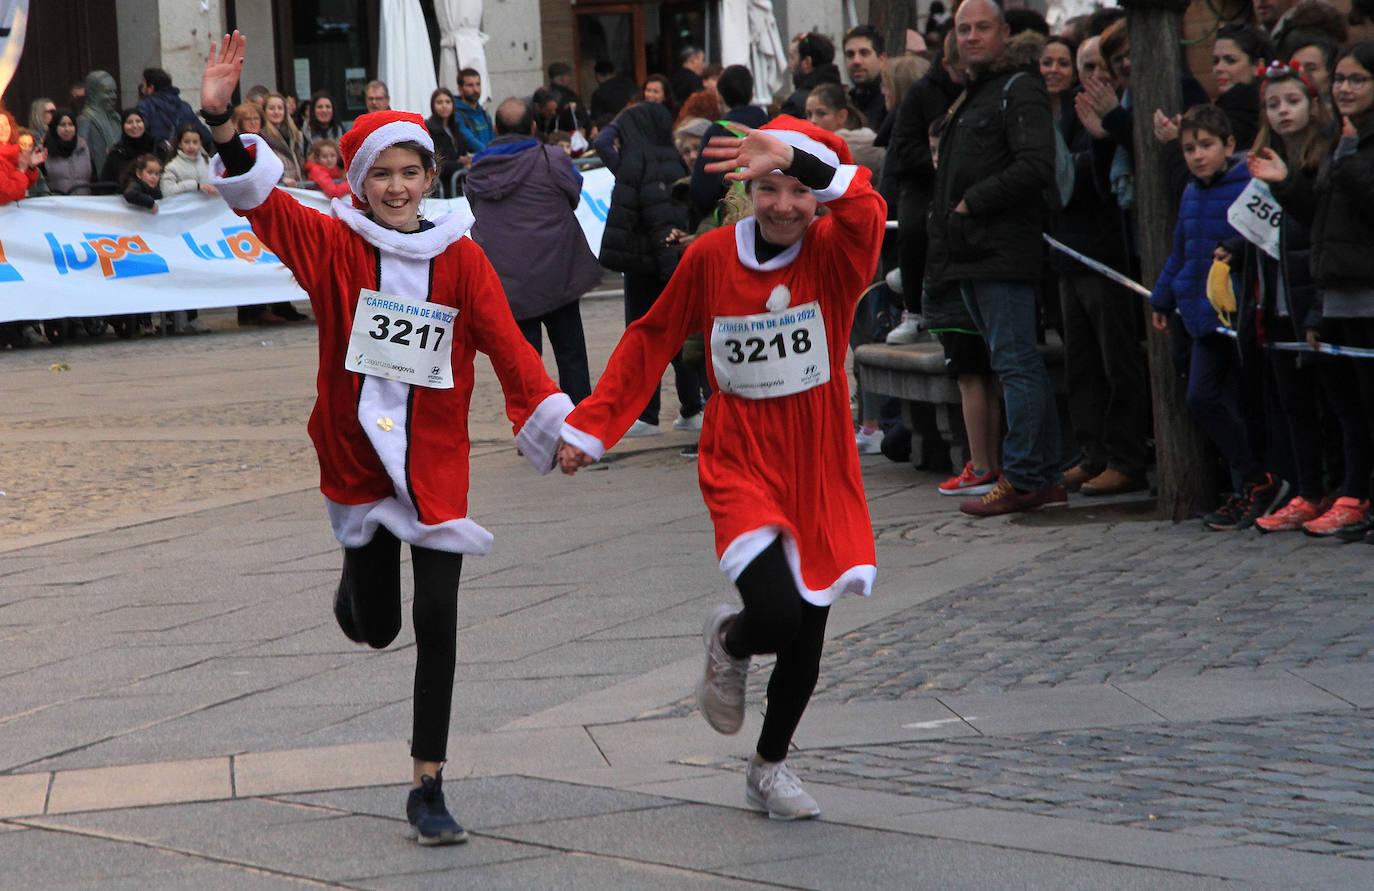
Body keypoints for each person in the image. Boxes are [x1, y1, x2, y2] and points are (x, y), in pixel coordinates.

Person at [200, 31, 574, 844]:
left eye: (411, 172)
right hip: (358, 460)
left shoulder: (462, 258)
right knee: (379, 625)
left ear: (431, 179)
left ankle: (428, 783)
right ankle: (355, 583)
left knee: (438, 615)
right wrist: (222, 121)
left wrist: (553, 421)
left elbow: (510, 347)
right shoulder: (334, 244)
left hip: (438, 461)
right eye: (382, 174)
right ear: (360, 182)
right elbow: (261, 202)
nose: (397, 188)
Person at [557, 118, 885, 820]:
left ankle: (769, 766)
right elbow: (653, 337)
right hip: (741, 459)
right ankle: (730, 637)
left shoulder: (835, 252)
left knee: (808, 633)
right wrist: (592, 424)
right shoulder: (709, 257)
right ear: (748, 190)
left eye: (801, 190)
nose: (786, 205)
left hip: (821, 466)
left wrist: (805, 159)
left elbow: (868, 210)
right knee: (775, 614)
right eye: (771, 187)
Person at [926, 0, 1064, 516]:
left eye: (983, 27)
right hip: (971, 254)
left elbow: (1035, 166)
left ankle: (1027, 477)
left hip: (1002, 253)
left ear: (1005, 33)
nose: (972, 36)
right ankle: (1040, 475)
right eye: (964, 29)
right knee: (1011, 364)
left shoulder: (1018, 88)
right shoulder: (976, 91)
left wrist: (972, 203)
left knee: (1015, 364)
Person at [1150, 104, 1288, 530]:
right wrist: (1161, 297)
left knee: (1227, 401)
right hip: (1196, 316)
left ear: (1228, 145)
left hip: (1235, 316)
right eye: (1189, 148)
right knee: (1204, 398)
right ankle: (1251, 480)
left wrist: (1237, 249)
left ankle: (1257, 481)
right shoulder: (1191, 192)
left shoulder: (1246, 185)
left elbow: (1265, 237)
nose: (1196, 155)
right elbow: (1182, 252)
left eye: (1206, 145)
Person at [1263, 42, 1374, 541]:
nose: (1346, 88)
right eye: (1342, 79)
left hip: (1366, 291)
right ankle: (1351, 494)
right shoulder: (1341, 143)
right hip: (1336, 292)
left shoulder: (1348, 146)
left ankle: (1358, 495)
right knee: (1348, 406)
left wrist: (1347, 161)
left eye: (1358, 80)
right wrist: (1286, 187)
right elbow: (1324, 226)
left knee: (1363, 407)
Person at [1237, 61, 1334, 533]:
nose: (1283, 111)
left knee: (1332, 404)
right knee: (1291, 404)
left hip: (1312, 299)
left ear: (1313, 105)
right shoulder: (1259, 163)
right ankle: (1306, 489)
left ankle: (1336, 490)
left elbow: (1319, 224)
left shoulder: (1323, 158)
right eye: (1273, 104)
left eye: (1292, 101)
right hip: (1272, 301)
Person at [465, 98, 602, 403]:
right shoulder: (552, 158)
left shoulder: (478, 169)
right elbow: (573, 195)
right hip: (558, 275)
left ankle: (535, 428)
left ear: (496, 129)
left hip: (509, 283)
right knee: (572, 357)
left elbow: (475, 206)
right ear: (534, 127)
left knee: (526, 364)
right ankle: (580, 427)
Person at [593, 100, 701, 434]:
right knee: (679, 340)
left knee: (642, 338)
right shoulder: (675, 159)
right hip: (672, 264)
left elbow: (600, 143)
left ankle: (647, 414)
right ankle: (692, 407)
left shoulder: (633, 162)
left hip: (647, 267)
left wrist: (621, 121)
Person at [886, 29, 964, 346]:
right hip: (923, 182)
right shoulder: (921, 94)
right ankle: (914, 311)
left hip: (965, 182)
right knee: (915, 228)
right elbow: (902, 145)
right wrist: (937, 162)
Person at [689, 65, 768, 228]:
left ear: (719, 97)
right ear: (752, 95)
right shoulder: (771, 125)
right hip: (769, 215)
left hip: (732, 223)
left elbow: (702, 193)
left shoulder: (717, 131)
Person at [136, 67, 212, 150]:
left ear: (151, 88)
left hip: (155, 158)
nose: (142, 87)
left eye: (144, 82)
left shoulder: (145, 105)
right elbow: (205, 136)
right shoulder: (184, 106)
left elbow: (138, 135)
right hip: (181, 156)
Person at [780, 32, 841, 119]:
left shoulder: (794, 105)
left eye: (792, 58)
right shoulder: (846, 98)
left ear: (807, 62)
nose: (789, 65)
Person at [97, 109, 157, 191]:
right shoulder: (117, 153)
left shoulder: (156, 147)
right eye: (129, 122)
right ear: (122, 126)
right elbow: (105, 185)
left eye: (138, 121)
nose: (135, 126)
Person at [844, 25, 889, 132]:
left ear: (882, 59)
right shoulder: (846, 102)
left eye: (864, 53)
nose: (856, 61)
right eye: (850, 55)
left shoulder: (890, 102)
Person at [39, 109, 94, 196]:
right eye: (62, 125)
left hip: (84, 205)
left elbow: (94, 180)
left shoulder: (84, 149)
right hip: (56, 206)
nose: (67, 129)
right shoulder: (44, 151)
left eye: (70, 124)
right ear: (55, 127)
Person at [76, 70, 121, 175]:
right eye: (108, 92)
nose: (113, 96)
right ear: (92, 93)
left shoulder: (116, 119)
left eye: (114, 92)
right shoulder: (85, 120)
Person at [426, 87, 465, 197]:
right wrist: (461, 164)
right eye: (439, 102)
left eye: (447, 102)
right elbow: (437, 163)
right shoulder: (429, 130)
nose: (444, 106)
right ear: (433, 106)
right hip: (440, 191)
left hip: (457, 187)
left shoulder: (455, 129)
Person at [160, 124, 216, 196]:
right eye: (187, 142)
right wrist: (194, 186)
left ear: (200, 143)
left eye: (195, 142)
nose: (191, 146)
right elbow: (166, 191)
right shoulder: (172, 167)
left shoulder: (209, 161)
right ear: (180, 144)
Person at [264, 92, 307, 181]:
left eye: (280, 108)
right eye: (271, 108)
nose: (276, 112)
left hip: (298, 187)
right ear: (264, 111)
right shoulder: (263, 137)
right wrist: (281, 179)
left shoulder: (296, 135)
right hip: (280, 188)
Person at [453, 69, 494, 156]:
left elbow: (494, 141)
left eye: (478, 84)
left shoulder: (485, 114)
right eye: (470, 85)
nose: (475, 90)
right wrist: (491, 153)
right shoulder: (456, 115)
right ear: (460, 88)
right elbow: (469, 140)